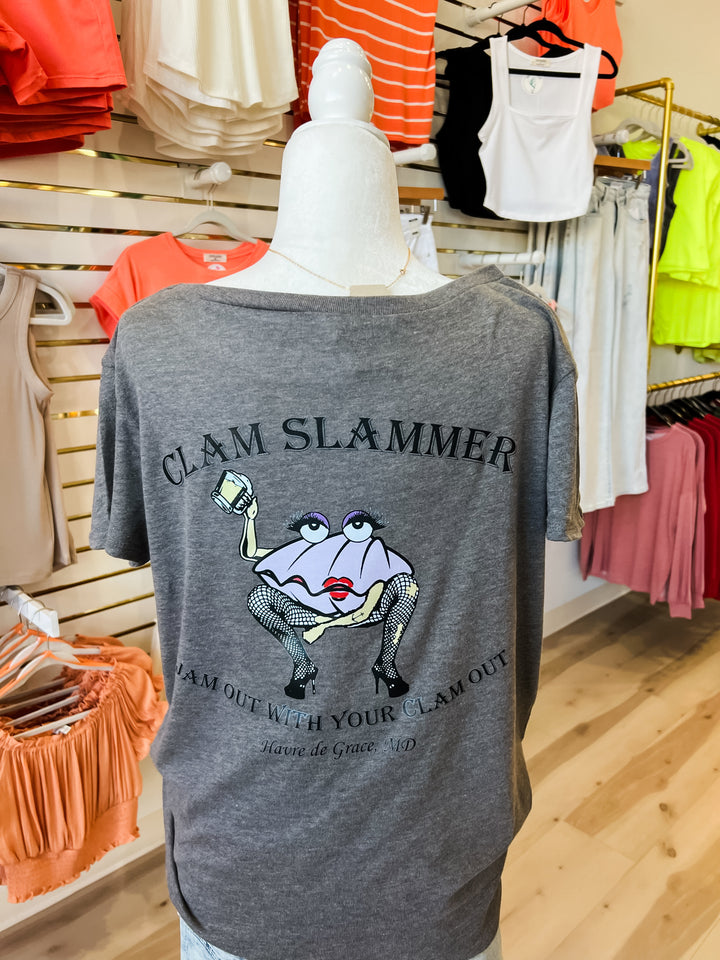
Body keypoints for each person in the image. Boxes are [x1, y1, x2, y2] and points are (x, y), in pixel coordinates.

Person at [92, 37, 582, 960]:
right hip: (241, 855)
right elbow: (234, 574)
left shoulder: (518, 341)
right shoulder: (152, 345)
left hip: (442, 858)